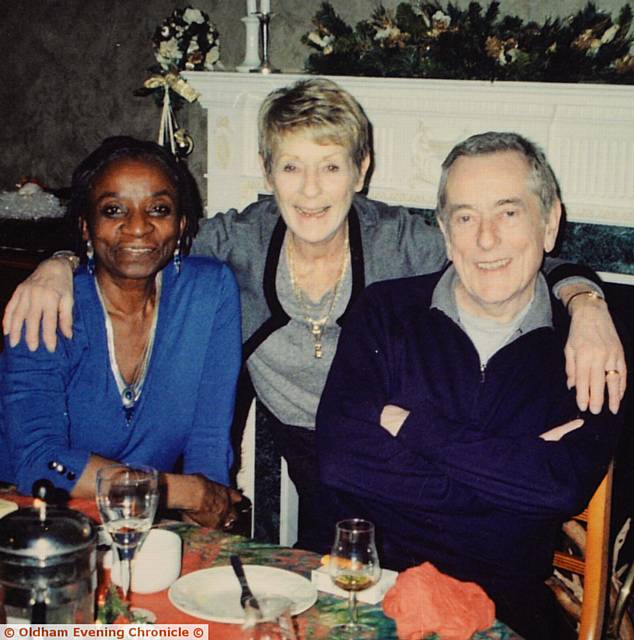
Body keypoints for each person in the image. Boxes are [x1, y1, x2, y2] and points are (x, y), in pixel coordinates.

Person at [2, 80, 626, 549]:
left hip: (414, 455)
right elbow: (140, 238)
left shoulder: (403, 242)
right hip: (325, 466)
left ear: (361, 171)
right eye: (291, 167)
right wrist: (59, 260)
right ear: (268, 174)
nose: (309, 190)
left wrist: (588, 302)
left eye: (330, 166)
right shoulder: (236, 245)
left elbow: (503, 251)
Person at [316, 132, 627, 639]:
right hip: (371, 594)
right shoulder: (385, 312)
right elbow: (341, 460)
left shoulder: (594, 347)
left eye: (508, 213)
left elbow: (560, 487)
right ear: (444, 229)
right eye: (464, 216)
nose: (485, 239)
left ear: (549, 224)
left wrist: (412, 428)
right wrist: (509, 476)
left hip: (506, 615)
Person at [0, 136, 245, 530]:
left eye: (158, 209)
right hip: (35, 521)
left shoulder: (209, 292)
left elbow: (209, 441)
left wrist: (207, 528)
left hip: (137, 522)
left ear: (182, 224)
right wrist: (177, 491)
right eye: (113, 210)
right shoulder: (44, 306)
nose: (137, 227)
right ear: (86, 226)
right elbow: (37, 459)